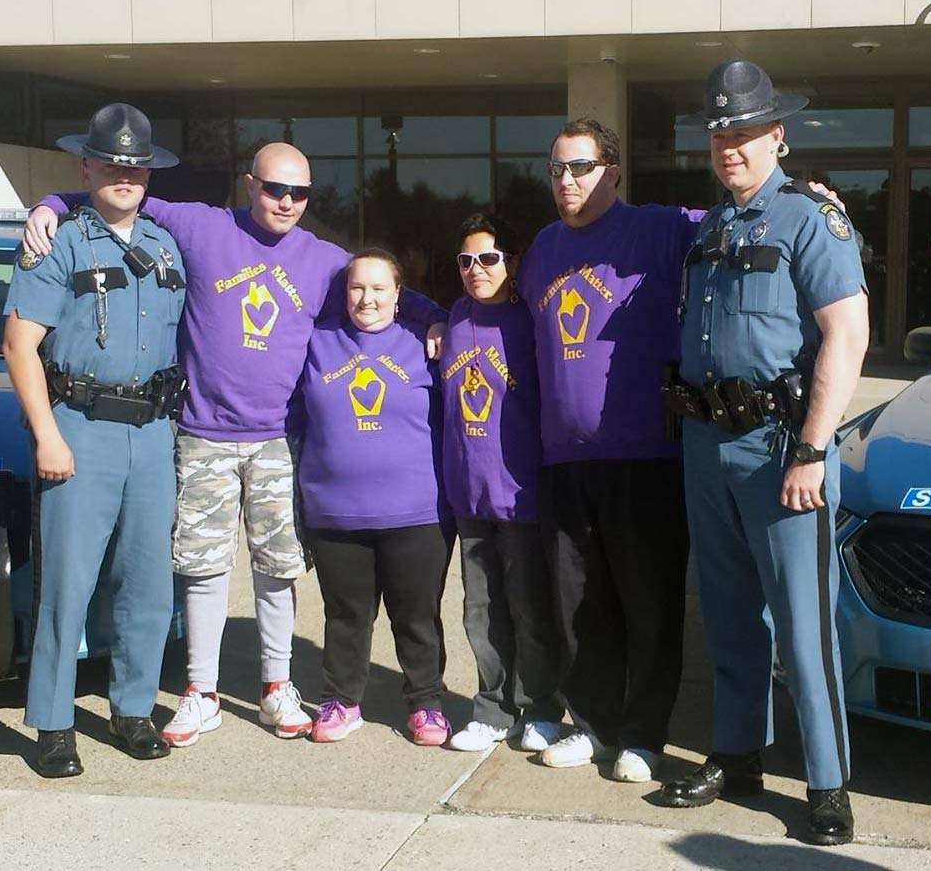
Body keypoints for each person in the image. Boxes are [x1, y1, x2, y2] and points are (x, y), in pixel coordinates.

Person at [21, 146, 446, 748]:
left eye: (300, 193)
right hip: (202, 435)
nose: (288, 202)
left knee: (276, 569)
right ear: (250, 184)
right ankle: (202, 690)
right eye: (275, 189)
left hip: (276, 439)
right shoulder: (203, 226)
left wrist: (436, 319)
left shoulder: (324, 260)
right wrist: (47, 204)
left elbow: (379, 283)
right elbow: (119, 195)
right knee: (202, 566)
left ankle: (277, 685)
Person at [652, 59, 870, 847]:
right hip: (709, 446)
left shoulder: (813, 219)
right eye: (719, 134)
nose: (730, 147)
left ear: (776, 135)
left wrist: (813, 449)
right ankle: (737, 754)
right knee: (730, 614)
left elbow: (847, 335)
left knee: (805, 626)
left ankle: (826, 782)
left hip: (784, 452)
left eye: (743, 132)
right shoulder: (711, 227)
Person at [1, 102, 189, 778]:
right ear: (87, 166)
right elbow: (19, 345)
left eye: (136, 167)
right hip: (78, 428)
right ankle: (53, 723)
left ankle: (133, 708)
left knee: (147, 583)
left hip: (153, 430)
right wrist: (47, 434)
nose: (124, 176)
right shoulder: (57, 243)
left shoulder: (167, 245)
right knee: (68, 584)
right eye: (112, 163)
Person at [518, 119, 700, 783]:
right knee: (578, 604)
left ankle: (644, 735)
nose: (567, 181)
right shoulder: (540, 248)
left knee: (646, 601)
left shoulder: (660, 227)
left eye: (582, 167)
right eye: (557, 169)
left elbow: (744, 216)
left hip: (645, 457)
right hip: (565, 460)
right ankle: (592, 725)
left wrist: (812, 198)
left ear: (613, 172)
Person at [295, 249, 453, 746]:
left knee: (417, 616)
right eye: (357, 288)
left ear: (400, 294)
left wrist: (438, 317)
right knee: (345, 616)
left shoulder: (425, 342)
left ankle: (426, 703)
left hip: (417, 512)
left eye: (379, 288)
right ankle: (342, 700)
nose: (367, 298)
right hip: (335, 512)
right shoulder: (315, 340)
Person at [438, 214, 563, 753]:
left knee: (530, 608)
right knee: (480, 610)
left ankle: (539, 706)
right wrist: (431, 321)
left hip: (521, 494)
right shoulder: (452, 317)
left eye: (488, 258)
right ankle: (492, 709)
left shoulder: (532, 322)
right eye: (465, 260)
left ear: (511, 265)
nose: (475, 270)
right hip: (469, 496)